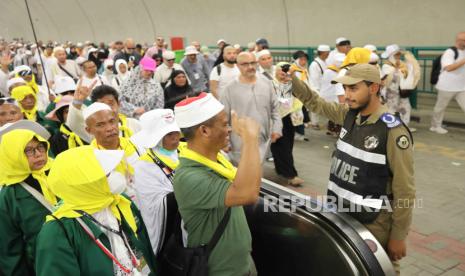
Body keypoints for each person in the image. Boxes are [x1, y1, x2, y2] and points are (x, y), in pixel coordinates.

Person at [290, 63, 415, 275]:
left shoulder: (392, 131)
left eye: (353, 88)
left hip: (373, 223)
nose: (347, 95)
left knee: (378, 270)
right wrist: (290, 80)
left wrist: (398, 236)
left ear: (374, 88)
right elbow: (315, 102)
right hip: (341, 213)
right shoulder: (348, 115)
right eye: (345, 89)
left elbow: (405, 189)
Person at [173, 92, 260, 275]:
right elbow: (248, 193)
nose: (229, 129)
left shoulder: (218, 159)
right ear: (204, 131)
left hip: (242, 265)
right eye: (224, 124)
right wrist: (250, 139)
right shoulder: (189, 177)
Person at [34, 146, 157, 275]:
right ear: (83, 184)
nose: (116, 176)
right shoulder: (58, 231)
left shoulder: (119, 202)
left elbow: (145, 249)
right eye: (106, 174)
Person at [0, 122, 57, 275]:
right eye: (28, 151)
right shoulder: (8, 195)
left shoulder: (58, 172)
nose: (38, 154)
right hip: (40, 266)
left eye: (40, 147)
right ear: (13, 154)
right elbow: (10, 248)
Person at [132, 109, 182, 257]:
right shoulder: (144, 166)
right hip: (170, 230)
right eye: (168, 134)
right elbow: (153, 205)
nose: (175, 138)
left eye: (176, 132)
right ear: (157, 138)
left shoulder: (186, 151)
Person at [220, 52, 282, 164]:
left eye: (253, 63)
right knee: (242, 176)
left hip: (262, 141)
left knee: (257, 174)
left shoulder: (266, 83)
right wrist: (225, 142)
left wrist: (277, 128)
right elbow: (223, 118)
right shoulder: (229, 89)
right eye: (245, 64)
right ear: (237, 66)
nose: (250, 67)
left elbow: (275, 109)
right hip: (239, 145)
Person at [68, 83, 141, 143]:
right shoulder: (95, 130)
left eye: (111, 103)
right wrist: (77, 102)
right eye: (102, 105)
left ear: (118, 104)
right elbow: (73, 123)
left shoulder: (134, 124)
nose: (108, 108)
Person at [271, 62, 304, 186]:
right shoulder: (271, 83)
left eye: (286, 70)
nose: (283, 72)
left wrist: (290, 79)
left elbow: (300, 95)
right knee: (282, 146)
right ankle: (291, 175)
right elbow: (283, 101)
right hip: (276, 118)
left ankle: (281, 169)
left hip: (289, 117)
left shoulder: (291, 81)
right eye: (281, 70)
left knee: (286, 146)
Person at [430, 31, 465, 134]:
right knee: (440, 107)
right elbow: (448, 68)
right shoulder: (450, 52)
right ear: (459, 41)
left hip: (461, 87)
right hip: (446, 86)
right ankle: (435, 126)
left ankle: (436, 125)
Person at [381, 44, 420, 129]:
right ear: (391, 55)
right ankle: (390, 128)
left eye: (399, 54)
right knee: (391, 110)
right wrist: (401, 71)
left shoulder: (402, 65)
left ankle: (404, 127)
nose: (399, 56)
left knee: (405, 109)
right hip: (391, 93)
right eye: (396, 54)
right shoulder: (386, 66)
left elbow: (407, 73)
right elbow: (393, 76)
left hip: (403, 92)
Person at [319, 53, 346, 136]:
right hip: (333, 95)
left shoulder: (330, 70)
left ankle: (332, 129)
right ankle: (335, 130)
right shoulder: (336, 72)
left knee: (333, 113)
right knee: (336, 113)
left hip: (331, 94)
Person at [290, 50, 312, 138]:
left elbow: (307, 82)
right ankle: (297, 133)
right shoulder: (292, 70)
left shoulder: (304, 70)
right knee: (296, 114)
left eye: (305, 60)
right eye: (301, 60)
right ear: (296, 60)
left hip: (303, 96)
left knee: (301, 114)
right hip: (295, 97)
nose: (304, 62)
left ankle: (300, 133)